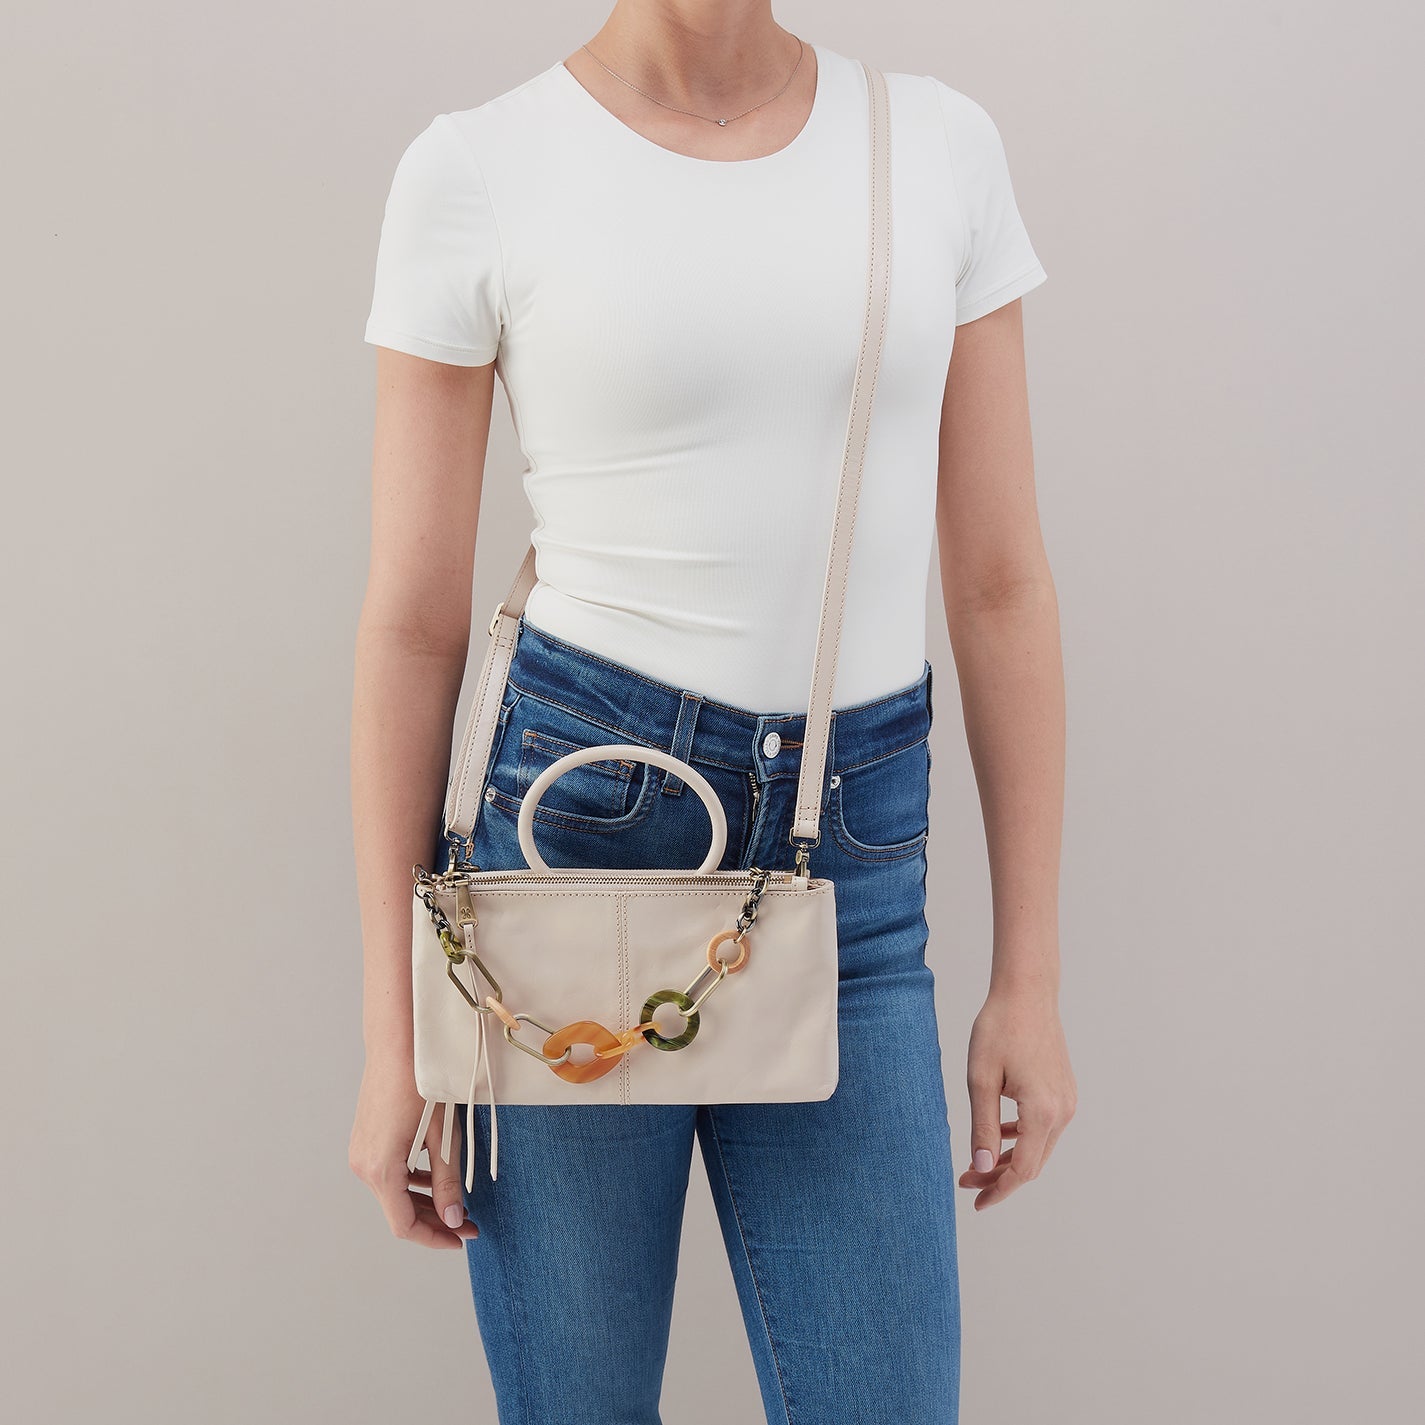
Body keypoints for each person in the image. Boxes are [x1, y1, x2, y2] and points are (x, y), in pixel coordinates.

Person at [349, 4, 1076, 1421]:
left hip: (850, 859)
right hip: (568, 847)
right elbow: (411, 621)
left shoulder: (929, 146)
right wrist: (396, 1036)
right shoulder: (480, 166)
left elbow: (997, 584)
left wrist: (1030, 979)